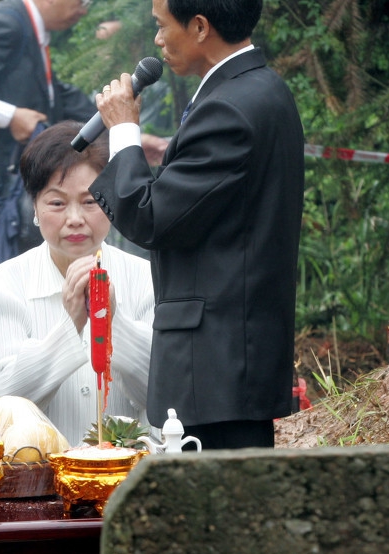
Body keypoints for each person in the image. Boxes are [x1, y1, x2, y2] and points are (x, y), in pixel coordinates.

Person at [0, 122, 154, 554]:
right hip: (38, 518)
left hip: (127, 506)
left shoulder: (147, 278)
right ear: (33, 208)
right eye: (56, 202)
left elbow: (164, 387)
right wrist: (73, 329)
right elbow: (0, 397)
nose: (75, 219)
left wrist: (111, 321)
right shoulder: (3, 285)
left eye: (92, 201)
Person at [89, 0, 303, 450]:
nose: (157, 40)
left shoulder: (229, 107)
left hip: (216, 371)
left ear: (201, 26)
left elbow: (150, 218)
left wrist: (123, 131)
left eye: (162, 26)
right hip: (230, 366)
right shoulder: (259, 90)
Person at [0, 0, 167, 265]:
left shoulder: (33, 31)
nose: (84, 11)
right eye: (81, 1)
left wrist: (123, 135)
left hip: (8, 206)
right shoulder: (7, 23)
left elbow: (56, 98)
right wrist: (11, 116)